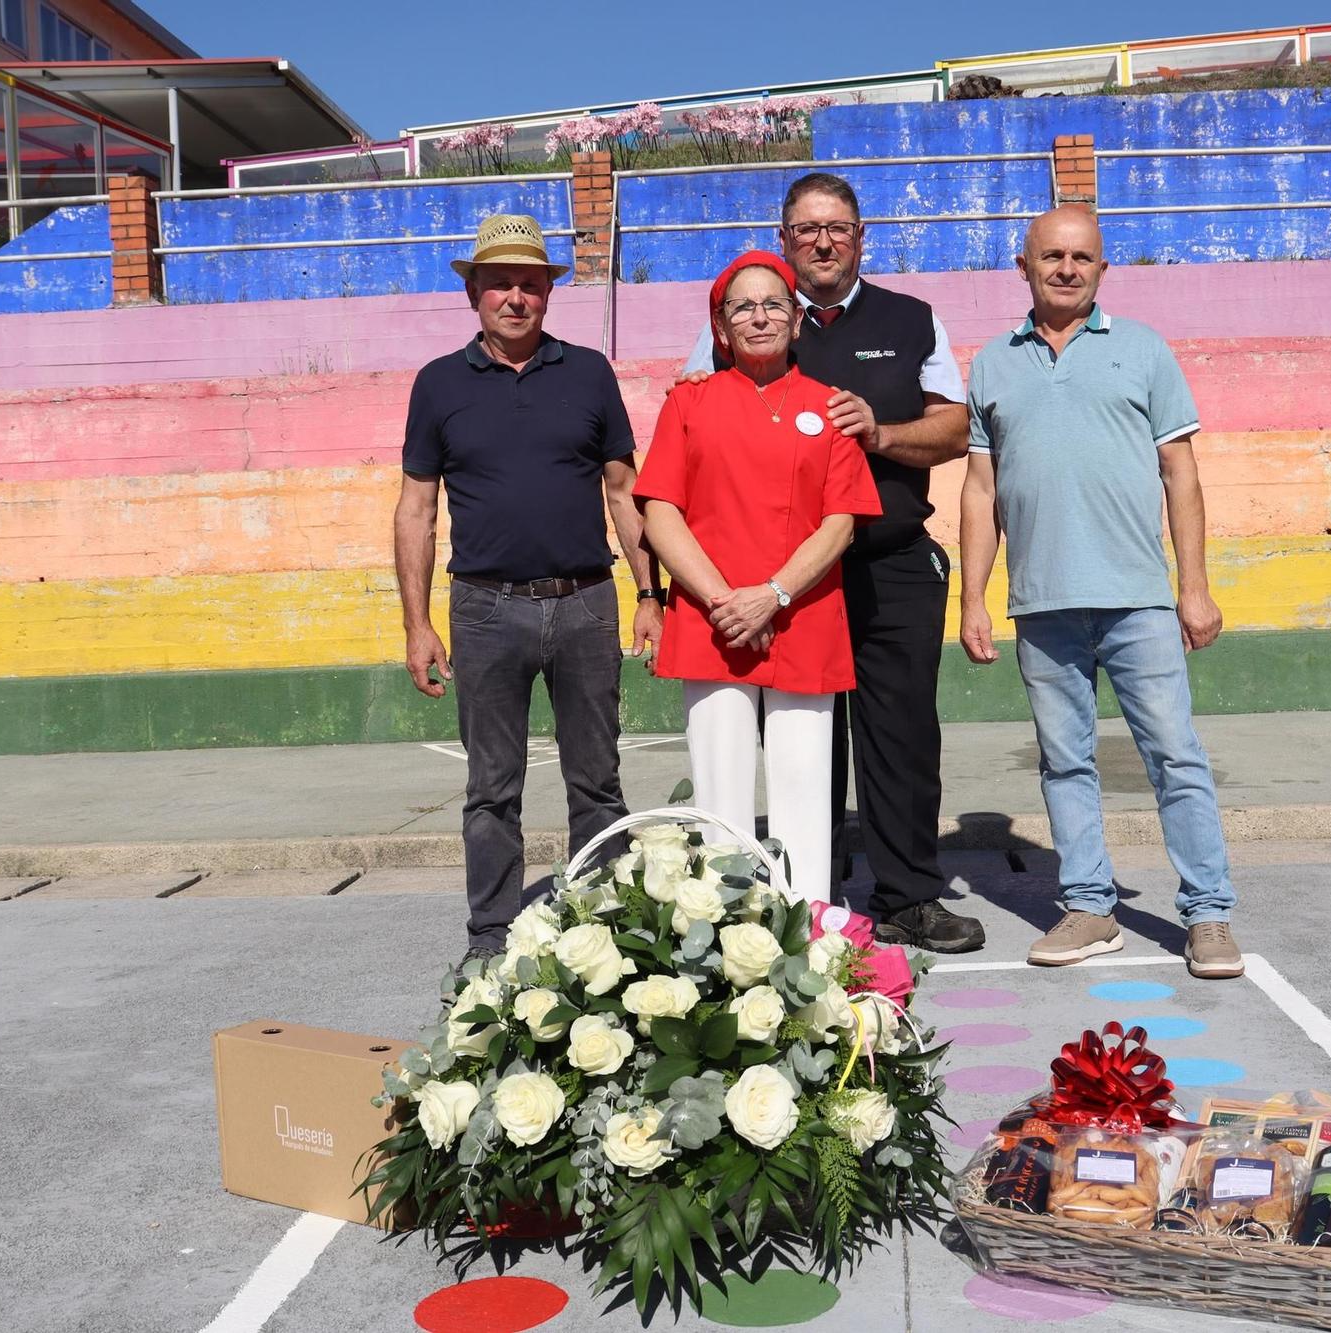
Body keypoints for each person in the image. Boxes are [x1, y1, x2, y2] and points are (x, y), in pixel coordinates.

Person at [682, 173, 985, 952]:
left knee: (902, 734)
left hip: (888, 561)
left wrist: (879, 433)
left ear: (861, 236)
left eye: (839, 228)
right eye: (807, 229)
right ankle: (810, 897)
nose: (823, 241)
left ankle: (909, 894)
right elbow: (696, 413)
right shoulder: (753, 317)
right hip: (785, 579)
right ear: (784, 239)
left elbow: (955, 430)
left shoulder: (911, 319)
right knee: (803, 740)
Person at [958, 204, 1245, 979]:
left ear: (1102, 269)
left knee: (1175, 756)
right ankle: (1089, 907)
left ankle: (1209, 914)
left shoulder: (1144, 351)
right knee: (1063, 760)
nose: (1066, 268)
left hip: (1138, 598)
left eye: (1082, 257)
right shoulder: (992, 363)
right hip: (1042, 602)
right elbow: (979, 491)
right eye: (1051, 255)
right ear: (1023, 265)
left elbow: (1181, 475)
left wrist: (1195, 586)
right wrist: (974, 597)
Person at [394, 213, 665, 959]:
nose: (516, 297)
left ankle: (606, 936)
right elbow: (418, 508)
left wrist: (651, 595)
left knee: (598, 781)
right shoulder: (439, 384)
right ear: (473, 292)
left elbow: (622, 490)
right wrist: (418, 624)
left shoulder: (587, 373)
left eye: (530, 283)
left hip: (585, 603)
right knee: (491, 789)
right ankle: (490, 938)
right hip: (484, 610)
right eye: (500, 283)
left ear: (549, 291)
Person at [638, 251, 883, 903]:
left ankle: (810, 936)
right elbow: (660, 512)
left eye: (774, 303)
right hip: (711, 624)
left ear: (797, 319)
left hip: (801, 618)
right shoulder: (689, 403)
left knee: (806, 788)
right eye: (742, 306)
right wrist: (728, 603)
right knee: (720, 799)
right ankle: (726, 940)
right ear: (721, 327)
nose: (760, 316)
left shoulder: (828, 408)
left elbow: (840, 522)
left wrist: (772, 595)